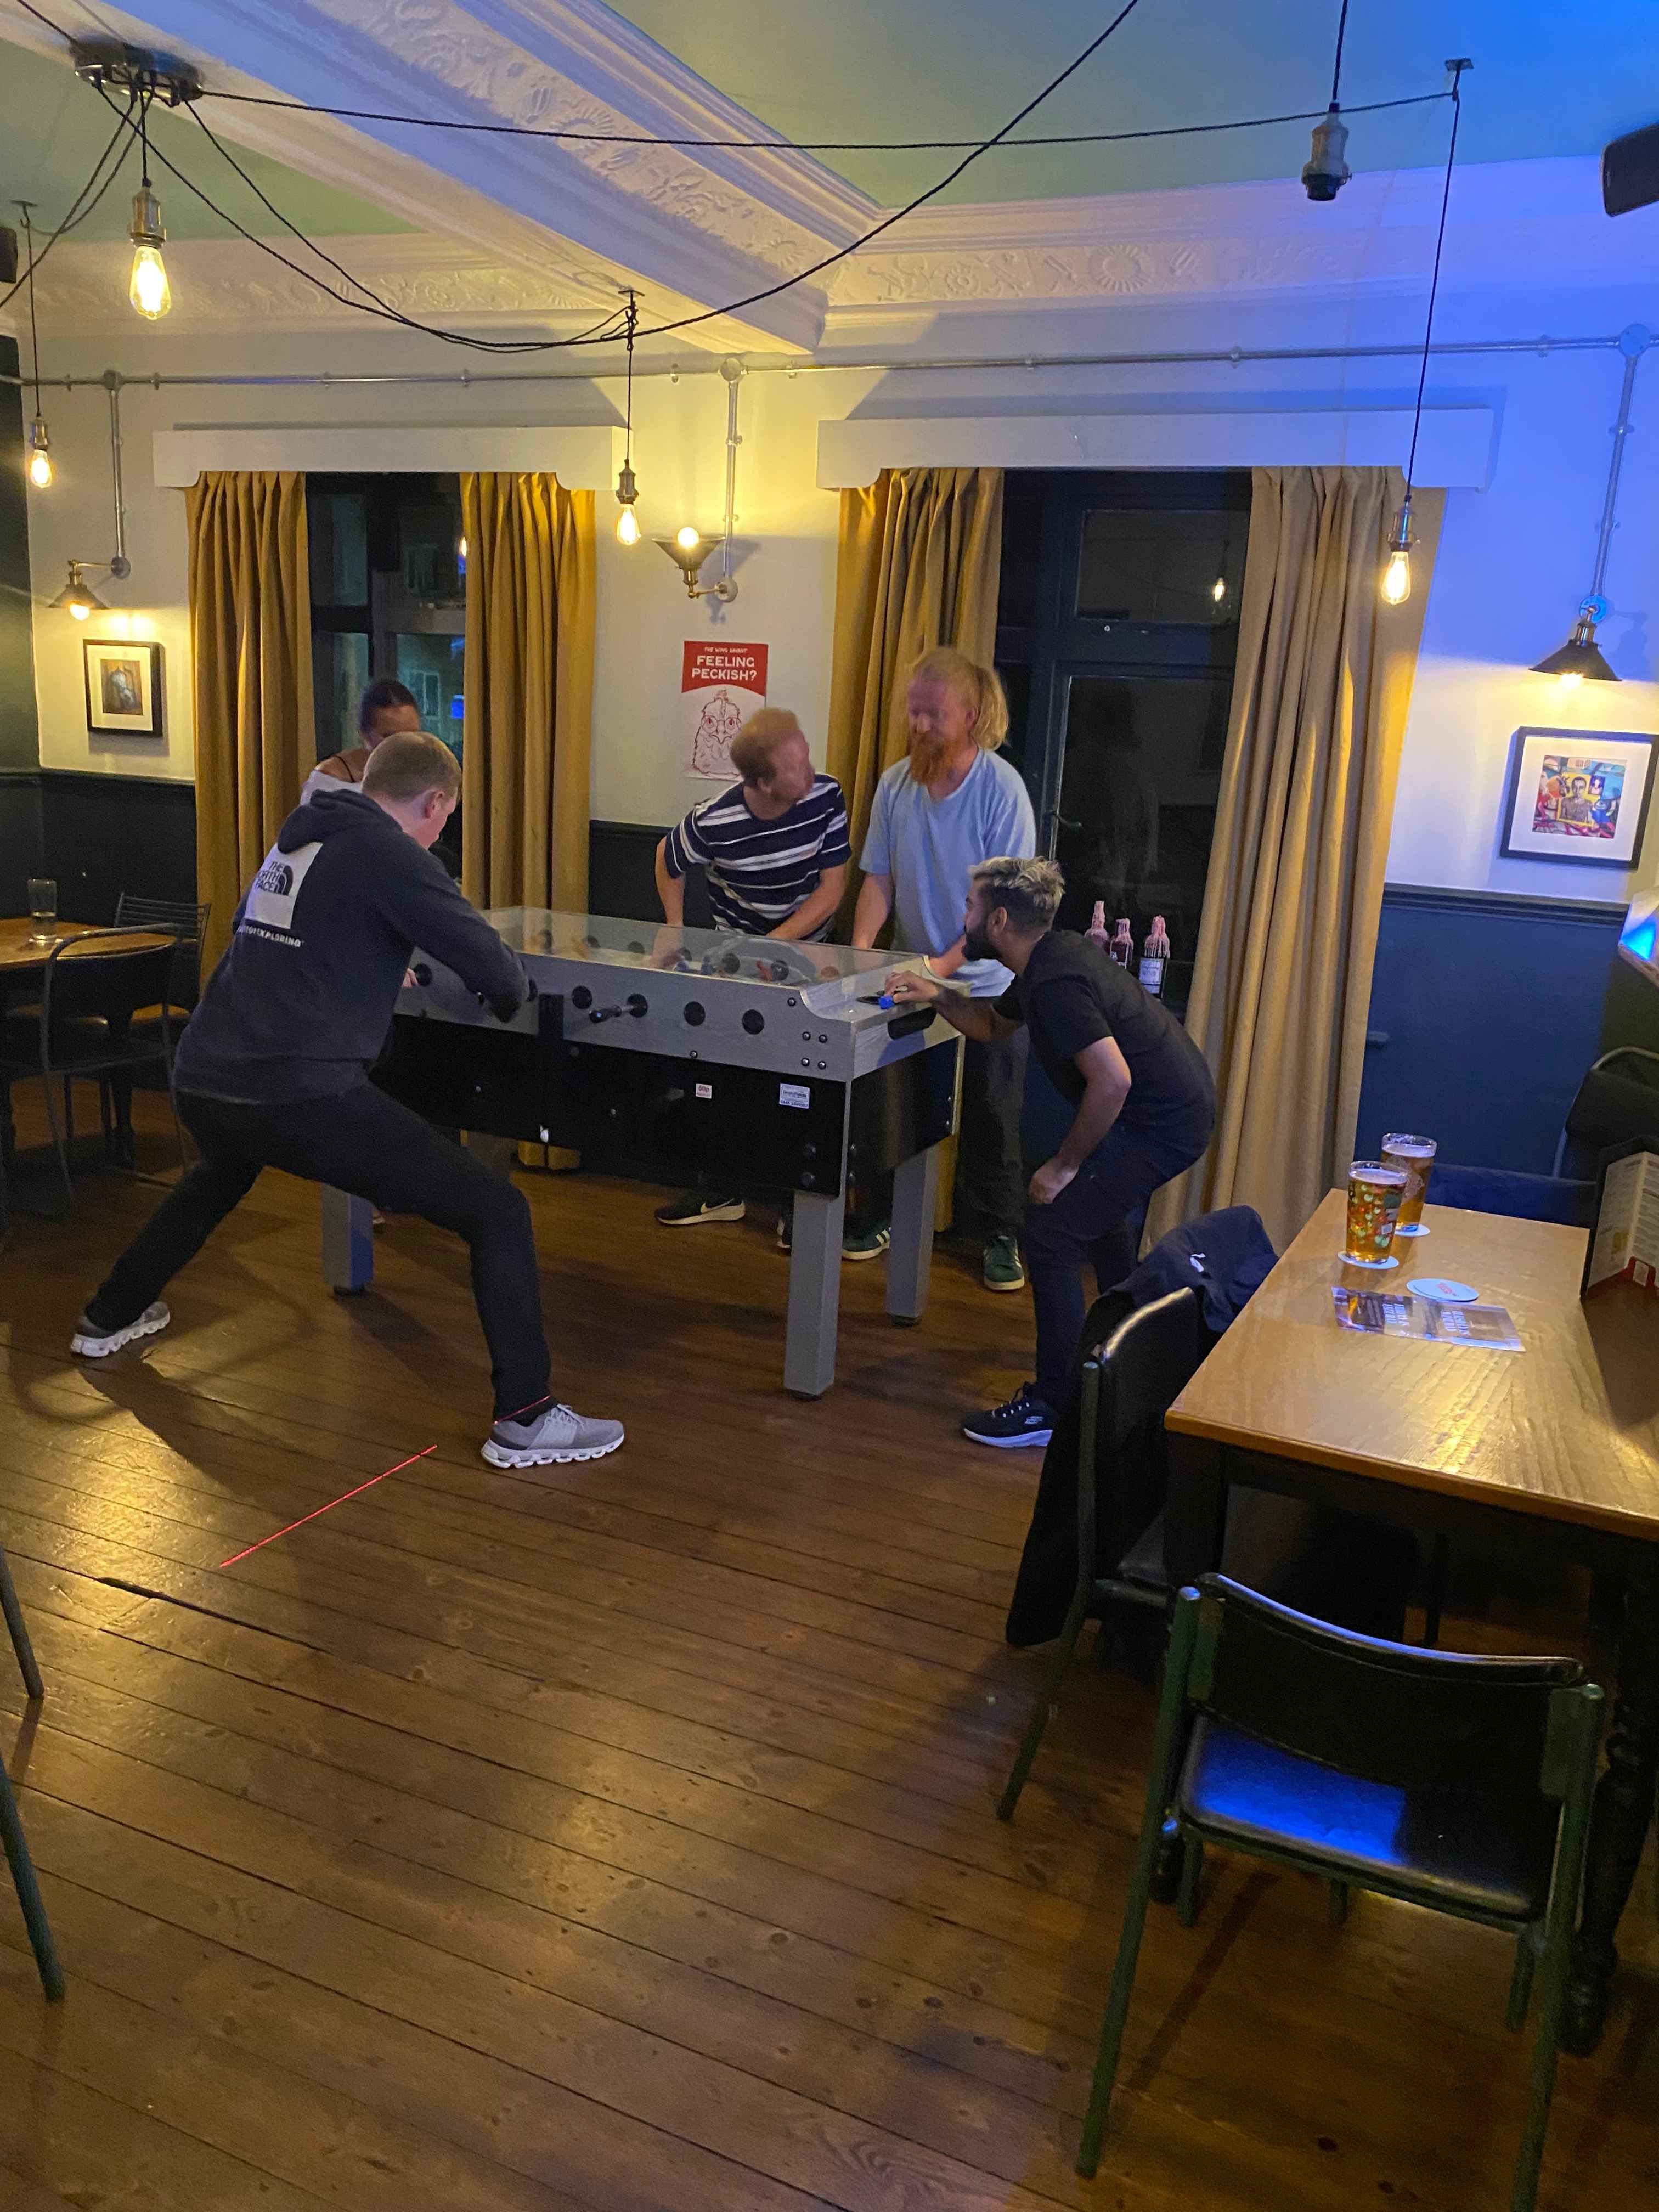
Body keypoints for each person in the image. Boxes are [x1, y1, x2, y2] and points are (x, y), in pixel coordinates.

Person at [69, 731, 623, 1472]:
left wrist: (369, 965)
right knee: (497, 1210)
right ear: (433, 802)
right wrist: (509, 991)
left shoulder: (299, 839)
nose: (439, 835)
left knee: (219, 1174)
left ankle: (109, 1314)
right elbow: (492, 965)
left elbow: (269, 937)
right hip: (294, 1088)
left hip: (204, 1071)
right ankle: (527, 1417)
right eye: (443, 820)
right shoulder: (391, 852)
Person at [891, 854, 1215, 1449]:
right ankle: (1124, 1364)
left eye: (970, 907)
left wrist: (1064, 1166)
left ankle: (1052, 1405)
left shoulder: (1058, 981)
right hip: (1167, 1110)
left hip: (1163, 1121)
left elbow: (1112, 1082)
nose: (963, 917)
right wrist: (936, 993)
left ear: (999, 920)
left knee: (1052, 1233)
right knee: (1102, 1224)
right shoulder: (1049, 959)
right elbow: (991, 1026)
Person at [651, 708, 883, 1257]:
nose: (810, 774)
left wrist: (776, 947)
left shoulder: (827, 796)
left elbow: (832, 891)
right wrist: (674, 927)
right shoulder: (713, 820)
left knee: (800, 1093)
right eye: (796, 768)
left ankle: (792, 1209)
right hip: (736, 962)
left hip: (810, 958)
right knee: (723, 1079)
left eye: (807, 760)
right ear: (760, 783)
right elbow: (667, 857)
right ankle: (722, 1191)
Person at [853, 646, 1035, 1294]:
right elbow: (879, 877)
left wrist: (940, 970)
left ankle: (999, 1237)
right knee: (891, 1108)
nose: (920, 725)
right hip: (912, 975)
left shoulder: (1001, 791)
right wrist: (861, 954)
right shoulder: (895, 783)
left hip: (986, 983)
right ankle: (875, 1219)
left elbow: (998, 912)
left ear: (972, 715)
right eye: (914, 712)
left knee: (992, 1117)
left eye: (934, 715)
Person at [301, 678, 423, 802]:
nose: (403, 746)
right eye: (391, 738)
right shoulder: (329, 783)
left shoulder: (425, 776)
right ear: (363, 733)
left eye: (411, 736)